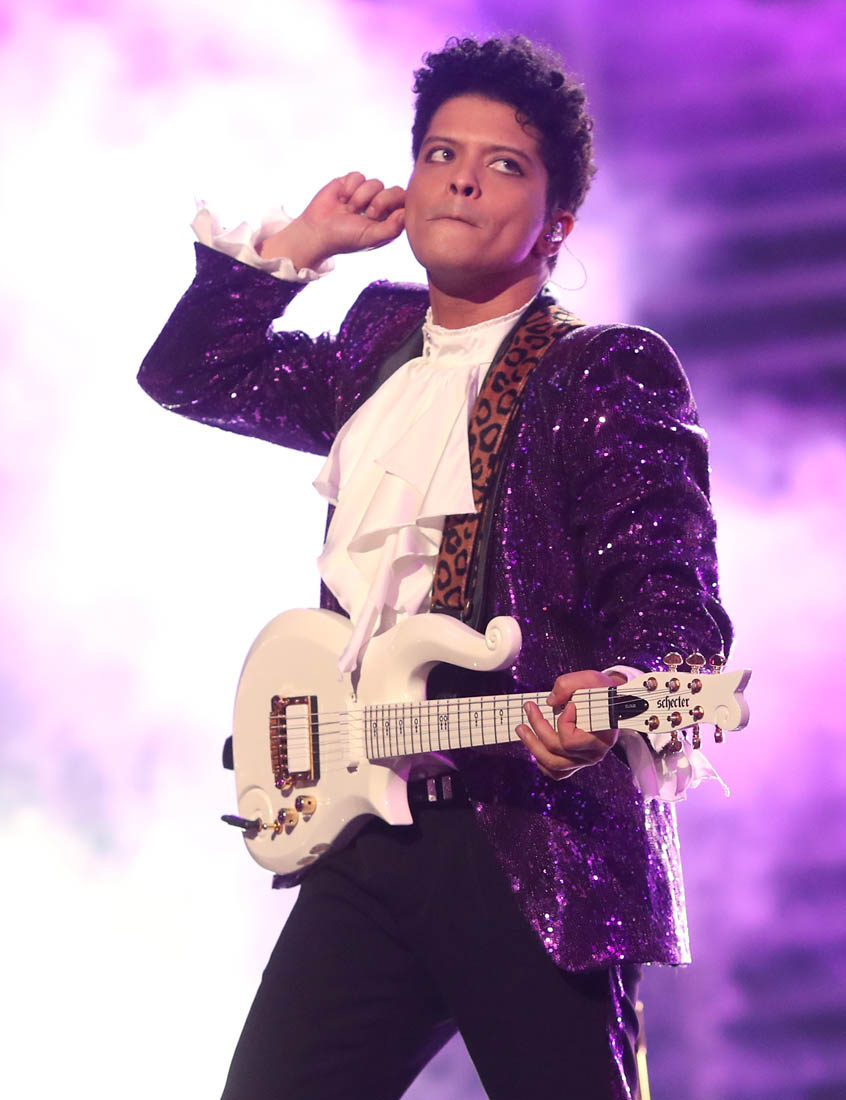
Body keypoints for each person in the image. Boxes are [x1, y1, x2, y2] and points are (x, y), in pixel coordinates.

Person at [139, 35, 732, 1100]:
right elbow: (189, 373)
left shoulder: (603, 369)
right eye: (440, 154)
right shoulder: (375, 347)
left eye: (503, 164)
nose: (461, 179)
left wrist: (622, 689)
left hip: (534, 840)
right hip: (369, 833)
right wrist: (305, 242)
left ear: (557, 220)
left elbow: (668, 588)